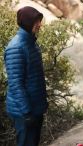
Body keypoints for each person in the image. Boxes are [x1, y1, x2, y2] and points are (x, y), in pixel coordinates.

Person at [4, 6, 48, 146]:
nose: (39, 24)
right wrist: (27, 112)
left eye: (40, 21)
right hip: (24, 112)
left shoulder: (31, 43)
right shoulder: (15, 48)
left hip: (35, 108)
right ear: (27, 23)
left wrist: (41, 104)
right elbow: (16, 84)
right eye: (36, 21)